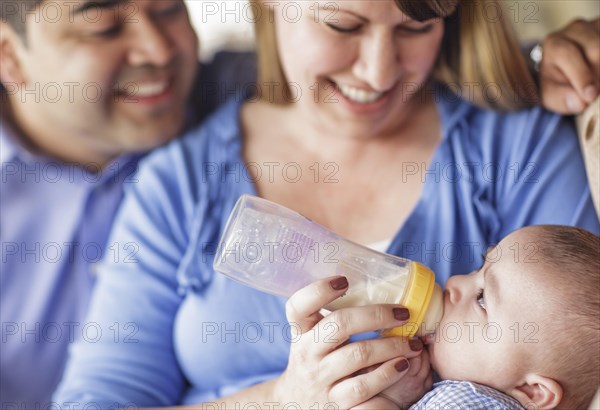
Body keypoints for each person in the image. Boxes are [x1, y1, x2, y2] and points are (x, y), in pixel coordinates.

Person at [53, 0, 600, 408]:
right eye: (343, 24)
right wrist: (283, 399)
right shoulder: (178, 186)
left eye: (416, 27)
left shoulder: (519, 146)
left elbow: (575, 357)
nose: (378, 71)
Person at [0, 0, 256, 407]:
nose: (158, 51)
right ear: (10, 57)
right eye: (103, 28)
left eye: (170, 9)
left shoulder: (252, 101)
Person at [360, 225, 600, 409]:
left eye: (482, 299)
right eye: (478, 268)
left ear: (532, 391)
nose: (453, 282)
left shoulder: (461, 402)